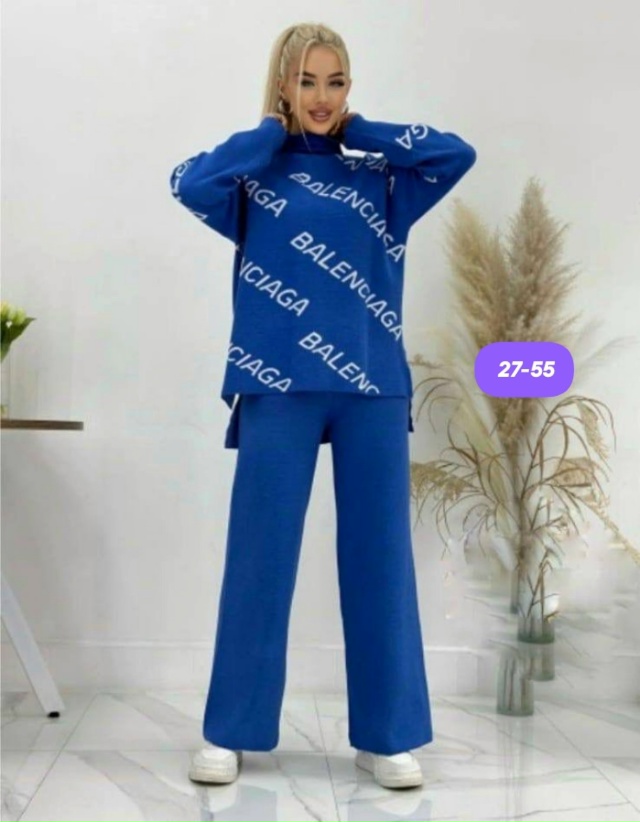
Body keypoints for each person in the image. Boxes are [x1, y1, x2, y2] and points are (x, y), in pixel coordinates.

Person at [169, 21, 476, 790]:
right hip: (276, 383)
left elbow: (454, 154)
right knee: (260, 559)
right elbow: (189, 182)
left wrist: (359, 130)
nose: (322, 96)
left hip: (372, 387)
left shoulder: (382, 178)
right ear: (283, 84)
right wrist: (269, 133)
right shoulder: (254, 177)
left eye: (335, 81)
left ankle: (388, 736)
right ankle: (230, 730)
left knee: (380, 560)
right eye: (306, 80)